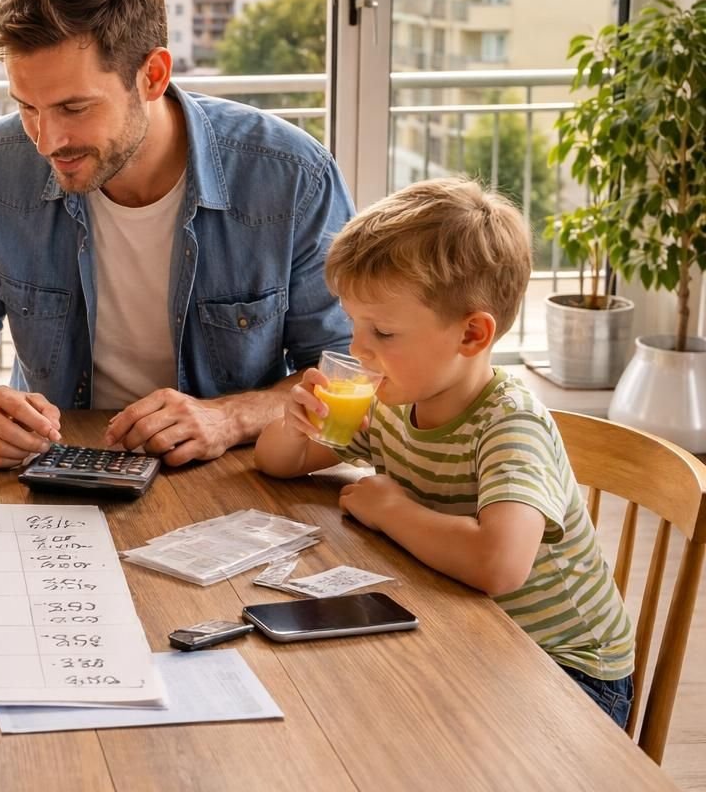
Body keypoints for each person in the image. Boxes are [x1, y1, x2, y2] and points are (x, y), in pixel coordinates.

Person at [0, 0, 354, 468]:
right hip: (56, 469)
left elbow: (345, 365)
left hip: (235, 472)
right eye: (27, 107)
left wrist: (228, 418)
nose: (46, 141)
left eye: (75, 107)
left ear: (153, 76)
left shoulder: (291, 175)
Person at [255, 178, 635, 726]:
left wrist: (392, 511)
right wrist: (296, 426)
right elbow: (281, 464)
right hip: (469, 629)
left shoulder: (510, 423)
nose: (358, 350)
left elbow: (499, 564)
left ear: (472, 336)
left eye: (383, 332)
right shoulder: (394, 398)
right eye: (354, 326)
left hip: (566, 671)